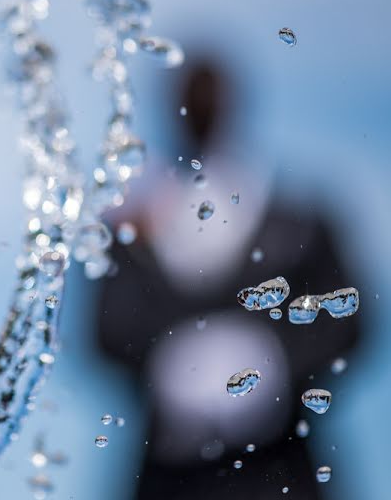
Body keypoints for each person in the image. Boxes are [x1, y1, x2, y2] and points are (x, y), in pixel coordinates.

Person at [97, 53, 365, 499]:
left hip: (280, 469)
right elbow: (104, 331)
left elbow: (348, 322)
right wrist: (167, 365)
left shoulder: (300, 222)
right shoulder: (132, 228)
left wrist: (276, 362)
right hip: (170, 476)